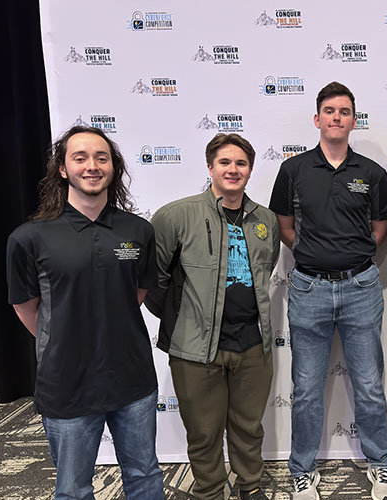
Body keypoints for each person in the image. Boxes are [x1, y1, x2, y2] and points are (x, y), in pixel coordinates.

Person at [6, 126, 163, 499]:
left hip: (132, 379)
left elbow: (137, 293)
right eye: (80, 158)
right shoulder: (29, 238)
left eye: (101, 157)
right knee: (74, 489)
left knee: (144, 478)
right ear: (63, 169)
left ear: (113, 167)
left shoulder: (138, 231)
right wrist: (64, 338)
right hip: (66, 385)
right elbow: (27, 308)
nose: (91, 166)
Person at [269, 81, 387, 500]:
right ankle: (302, 469)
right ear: (317, 119)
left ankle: (381, 466)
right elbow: (284, 226)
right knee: (305, 388)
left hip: (361, 286)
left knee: (369, 384)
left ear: (353, 120)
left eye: (344, 111)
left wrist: (350, 255)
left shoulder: (372, 174)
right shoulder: (293, 170)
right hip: (308, 289)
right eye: (329, 111)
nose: (336, 117)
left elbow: (380, 229)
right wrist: (312, 253)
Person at [145, 133, 280, 500]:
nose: (233, 170)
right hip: (196, 348)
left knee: (249, 426)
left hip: (252, 343)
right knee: (203, 431)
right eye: (225, 162)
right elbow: (154, 281)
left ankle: (250, 486)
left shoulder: (265, 219)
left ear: (250, 170)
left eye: (241, 163)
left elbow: (267, 270)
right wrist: (186, 320)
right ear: (210, 167)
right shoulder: (175, 216)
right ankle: (210, 491)